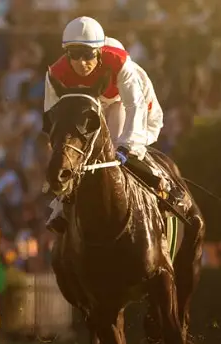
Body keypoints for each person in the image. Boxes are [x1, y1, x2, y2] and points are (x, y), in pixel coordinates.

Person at [44, 16, 185, 234]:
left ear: (99, 52)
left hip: (126, 101)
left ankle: (162, 185)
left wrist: (126, 147)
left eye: (88, 54)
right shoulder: (55, 74)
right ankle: (61, 205)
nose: (81, 62)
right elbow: (52, 117)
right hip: (91, 105)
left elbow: (134, 106)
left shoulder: (120, 63)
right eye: (74, 54)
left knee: (118, 144)